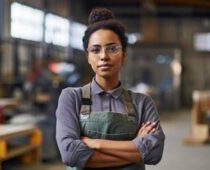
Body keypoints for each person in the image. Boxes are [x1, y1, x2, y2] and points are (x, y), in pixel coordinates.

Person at [55, 8, 165, 170]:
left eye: (112, 48)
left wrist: (96, 143)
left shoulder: (142, 103)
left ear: (124, 54)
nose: (104, 56)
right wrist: (136, 149)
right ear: (88, 57)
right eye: (95, 50)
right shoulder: (71, 97)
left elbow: (154, 154)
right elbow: (70, 154)